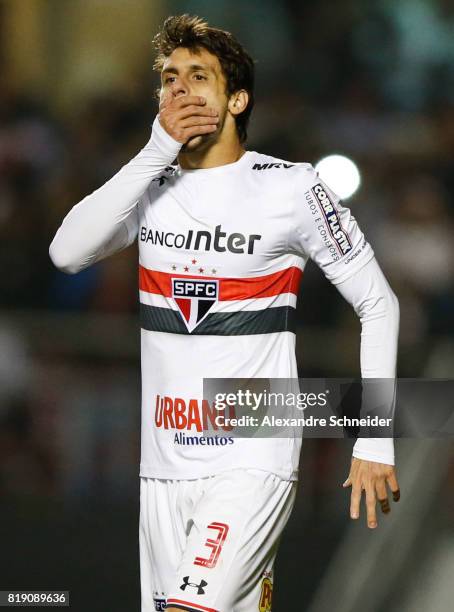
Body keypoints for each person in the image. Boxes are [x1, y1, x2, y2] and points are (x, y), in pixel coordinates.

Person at [49, 14, 400, 612]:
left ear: (237, 98)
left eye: (198, 77)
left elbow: (378, 303)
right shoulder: (148, 186)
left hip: (251, 457)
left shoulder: (291, 187)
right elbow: (65, 252)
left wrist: (376, 440)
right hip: (161, 466)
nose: (179, 90)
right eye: (168, 79)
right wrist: (155, 152)